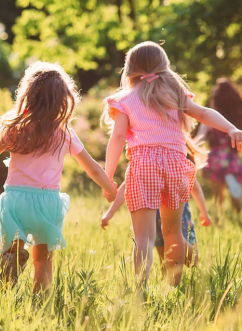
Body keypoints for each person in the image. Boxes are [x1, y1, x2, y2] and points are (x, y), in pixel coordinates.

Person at [0, 61, 117, 292]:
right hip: (47, 202)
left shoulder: (15, 128)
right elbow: (93, 169)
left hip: (16, 200)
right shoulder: (64, 132)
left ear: (28, 95)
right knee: (43, 259)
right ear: (62, 99)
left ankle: (10, 273)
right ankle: (39, 299)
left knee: (13, 247)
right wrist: (109, 187)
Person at [102, 41, 242, 287]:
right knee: (173, 233)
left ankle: (139, 292)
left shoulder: (123, 100)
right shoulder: (174, 92)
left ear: (129, 69)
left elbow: (116, 140)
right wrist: (230, 128)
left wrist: (108, 177)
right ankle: (173, 287)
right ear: (163, 65)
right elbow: (203, 113)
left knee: (143, 237)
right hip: (177, 164)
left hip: (144, 165)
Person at [101, 137, 212, 271]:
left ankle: (177, 246)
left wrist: (204, 213)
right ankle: (170, 287)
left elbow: (195, 188)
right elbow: (126, 187)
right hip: (159, 215)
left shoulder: (179, 163)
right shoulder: (168, 159)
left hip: (176, 214)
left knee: (188, 260)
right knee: (170, 262)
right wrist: (110, 213)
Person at [197, 78, 242, 213]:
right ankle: (238, 214)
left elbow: (200, 137)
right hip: (232, 158)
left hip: (215, 159)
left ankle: (219, 218)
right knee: (236, 197)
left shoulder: (211, 118)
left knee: (218, 197)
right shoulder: (237, 117)